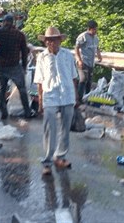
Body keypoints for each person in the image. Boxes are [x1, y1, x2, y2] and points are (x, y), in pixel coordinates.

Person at [34, 26, 79, 176]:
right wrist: (40, 102)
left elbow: (74, 76)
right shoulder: (42, 57)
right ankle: (47, 162)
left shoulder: (68, 55)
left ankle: (60, 156)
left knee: (65, 128)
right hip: (50, 95)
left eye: (54, 39)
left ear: (60, 40)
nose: (51, 42)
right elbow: (39, 81)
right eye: (48, 40)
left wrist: (76, 96)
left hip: (67, 94)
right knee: (50, 129)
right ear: (45, 42)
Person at [0, 14, 35, 120]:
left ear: (4, 22)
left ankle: (4, 113)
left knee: (1, 90)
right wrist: (24, 66)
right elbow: (24, 52)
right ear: (13, 22)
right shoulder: (19, 34)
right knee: (22, 89)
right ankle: (27, 111)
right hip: (15, 66)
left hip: (1, 65)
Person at [74, 20, 102, 102]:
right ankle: (78, 99)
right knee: (83, 79)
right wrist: (79, 60)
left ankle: (87, 98)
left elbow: (97, 47)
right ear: (89, 28)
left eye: (96, 30)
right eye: (94, 30)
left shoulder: (95, 38)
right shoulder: (83, 36)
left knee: (89, 81)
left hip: (91, 63)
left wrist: (99, 55)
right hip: (83, 61)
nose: (95, 32)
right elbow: (77, 48)